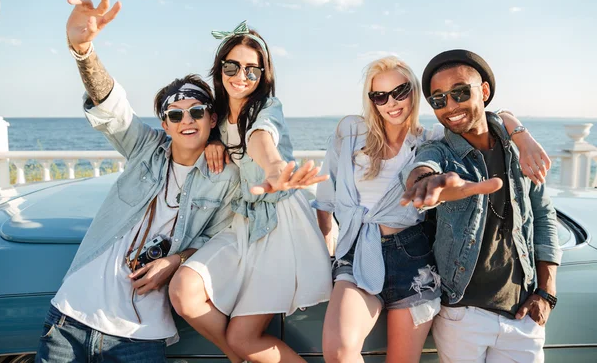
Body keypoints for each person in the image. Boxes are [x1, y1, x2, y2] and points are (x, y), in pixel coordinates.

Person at [35, 0, 240, 363]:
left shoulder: (227, 176)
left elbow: (221, 239)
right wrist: (84, 51)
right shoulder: (145, 147)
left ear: (213, 118)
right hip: (69, 318)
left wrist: (175, 261)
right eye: (175, 115)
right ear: (164, 123)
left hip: (140, 337)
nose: (187, 121)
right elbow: (111, 106)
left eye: (197, 111)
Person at [314, 55, 552, 363]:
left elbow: (480, 121)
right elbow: (325, 197)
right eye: (380, 96)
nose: (392, 103)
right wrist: (325, 252)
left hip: (413, 258)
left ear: (414, 92)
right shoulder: (350, 131)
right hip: (358, 252)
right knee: (339, 352)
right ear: (371, 100)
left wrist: (520, 132)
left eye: (400, 91)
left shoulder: (431, 138)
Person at [168, 20, 332, 363]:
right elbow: (208, 129)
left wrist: (274, 169)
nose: (241, 75)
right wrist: (213, 141)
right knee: (183, 291)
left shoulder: (266, 108)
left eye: (251, 69)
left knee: (243, 339)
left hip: (280, 226)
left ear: (263, 75)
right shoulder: (216, 115)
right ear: (220, 68)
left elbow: (261, 138)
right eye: (232, 65)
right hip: (242, 220)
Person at [401, 49, 561, 363]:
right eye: (438, 100)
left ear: (483, 91)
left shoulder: (517, 150)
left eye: (460, 93)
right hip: (461, 315)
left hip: (522, 313)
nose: (450, 106)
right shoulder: (440, 150)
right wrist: (425, 183)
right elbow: (423, 168)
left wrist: (546, 292)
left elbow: (544, 215)